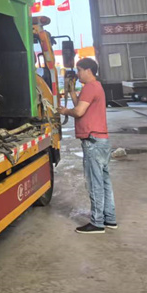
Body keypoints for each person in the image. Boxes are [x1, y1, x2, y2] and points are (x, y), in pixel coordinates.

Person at [58, 57, 116, 234]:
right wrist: (72, 92)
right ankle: (109, 218)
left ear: (88, 70)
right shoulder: (95, 87)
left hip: (93, 142)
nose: (78, 74)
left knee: (95, 182)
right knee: (104, 181)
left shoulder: (90, 87)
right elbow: (82, 106)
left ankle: (97, 222)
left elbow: (78, 111)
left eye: (79, 70)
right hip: (100, 140)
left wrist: (64, 111)